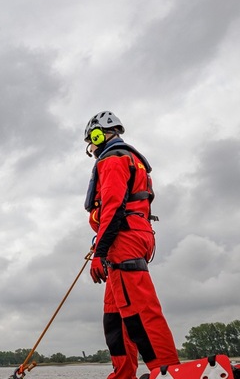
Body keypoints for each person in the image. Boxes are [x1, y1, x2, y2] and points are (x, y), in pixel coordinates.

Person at [82, 111, 179, 378]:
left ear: (99, 134)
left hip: (123, 240)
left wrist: (99, 252)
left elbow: (112, 207)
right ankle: (123, 374)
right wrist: (102, 247)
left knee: (140, 312)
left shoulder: (113, 160)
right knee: (115, 318)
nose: (91, 147)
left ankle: (168, 372)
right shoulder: (130, 159)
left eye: (91, 140)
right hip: (124, 238)